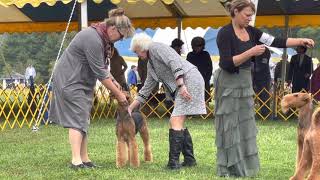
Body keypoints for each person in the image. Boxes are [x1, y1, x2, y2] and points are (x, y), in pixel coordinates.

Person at [215, 0, 314, 177]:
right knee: (229, 125)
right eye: (246, 15)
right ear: (235, 12)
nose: (249, 19)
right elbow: (226, 63)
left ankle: (242, 165)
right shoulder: (224, 33)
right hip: (229, 82)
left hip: (245, 81)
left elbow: (276, 40)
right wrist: (251, 52)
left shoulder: (252, 31)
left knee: (245, 125)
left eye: (251, 16)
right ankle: (228, 167)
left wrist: (301, 40)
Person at [48, 8, 134, 169]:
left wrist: (116, 84)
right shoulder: (92, 38)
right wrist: (119, 95)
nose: (120, 40)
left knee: (83, 119)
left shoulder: (100, 37)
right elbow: (101, 74)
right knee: (77, 119)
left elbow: (103, 69)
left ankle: (84, 159)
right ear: (113, 29)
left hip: (81, 81)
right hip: (70, 79)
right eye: (121, 36)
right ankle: (76, 161)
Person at [128, 33, 206, 169]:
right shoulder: (151, 64)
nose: (137, 55)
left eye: (136, 52)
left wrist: (181, 85)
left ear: (141, 47)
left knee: (175, 120)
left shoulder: (156, 48)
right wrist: (130, 108)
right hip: (185, 82)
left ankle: (173, 163)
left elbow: (174, 61)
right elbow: (146, 89)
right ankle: (189, 160)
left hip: (189, 80)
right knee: (178, 120)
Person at [186, 36, 213, 106]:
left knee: (205, 97)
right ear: (193, 46)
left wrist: (207, 78)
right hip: (193, 80)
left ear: (203, 46)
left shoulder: (206, 54)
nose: (198, 47)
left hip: (205, 79)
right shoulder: (190, 55)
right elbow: (187, 68)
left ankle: (206, 112)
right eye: (196, 46)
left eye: (200, 46)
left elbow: (210, 67)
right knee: (192, 96)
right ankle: (192, 111)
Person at [252, 47, 271, 117]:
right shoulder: (254, 49)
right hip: (255, 76)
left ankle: (266, 113)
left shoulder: (265, 50)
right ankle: (262, 113)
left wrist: (255, 69)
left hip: (264, 76)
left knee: (265, 95)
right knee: (259, 95)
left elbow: (264, 62)